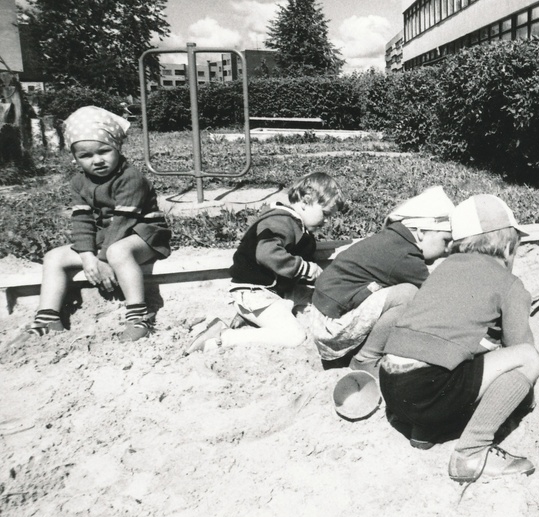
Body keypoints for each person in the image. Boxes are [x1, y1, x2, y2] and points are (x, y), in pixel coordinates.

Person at [378, 194, 539, 483]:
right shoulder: (509, 283)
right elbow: (520, 347)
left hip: (393, 388)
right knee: (528, 359)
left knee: (460, 354)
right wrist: (525, 399)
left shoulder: (442, 269)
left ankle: (425, 432)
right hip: (427, 391)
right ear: (507, 245)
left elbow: (447, 333)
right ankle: (471, 453)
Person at [21, 105, 172, 342]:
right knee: (53, 257)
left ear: (117, 147)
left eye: (104, 151)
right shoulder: (79, 182)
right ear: (75, 158)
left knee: (118, 252)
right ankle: (47, 317)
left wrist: (102, 259)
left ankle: (139, 315)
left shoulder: (130, 177)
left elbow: (124, 221)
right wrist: (87, 256)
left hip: (143, 235)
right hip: (107, 238)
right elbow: (82, 220)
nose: (97, 160)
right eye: (86, 156)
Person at [184, 172, 343, 354]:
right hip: (255, 292)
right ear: (306, 201)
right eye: (325, 214)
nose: (327, 221)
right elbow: (267, 253)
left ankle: (253, 318)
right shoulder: (280, 221)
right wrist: (306, 268)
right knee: (294, 336)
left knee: (322, 301)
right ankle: (222, 337)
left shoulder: (299, 227)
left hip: (276, 290)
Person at [305, 186, 455, 370]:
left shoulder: (394, 240)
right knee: (408, 294)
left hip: (325, 314)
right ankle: (366, 358)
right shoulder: (404, 256)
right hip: (332, 329)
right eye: (445, 241)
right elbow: (437, 296)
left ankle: (363, 349)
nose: (447, 249)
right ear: (421, 232)